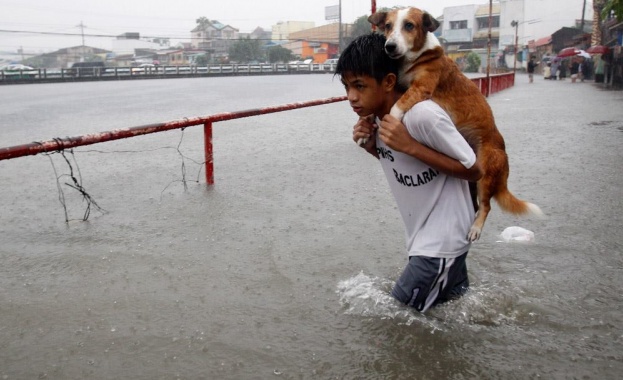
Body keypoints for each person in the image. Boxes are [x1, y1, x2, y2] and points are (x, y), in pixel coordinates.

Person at [335, 33, 482, 313]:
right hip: (428, 239)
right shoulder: (379, 118)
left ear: (389, 81)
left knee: (397, 321)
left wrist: (411, 145)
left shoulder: (422, 115)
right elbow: (401, 162)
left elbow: (474, 169)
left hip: (440, 243)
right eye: (346, 87)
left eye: (359, 86)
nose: (351, 97)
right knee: (455, 318)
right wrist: (370, 146)